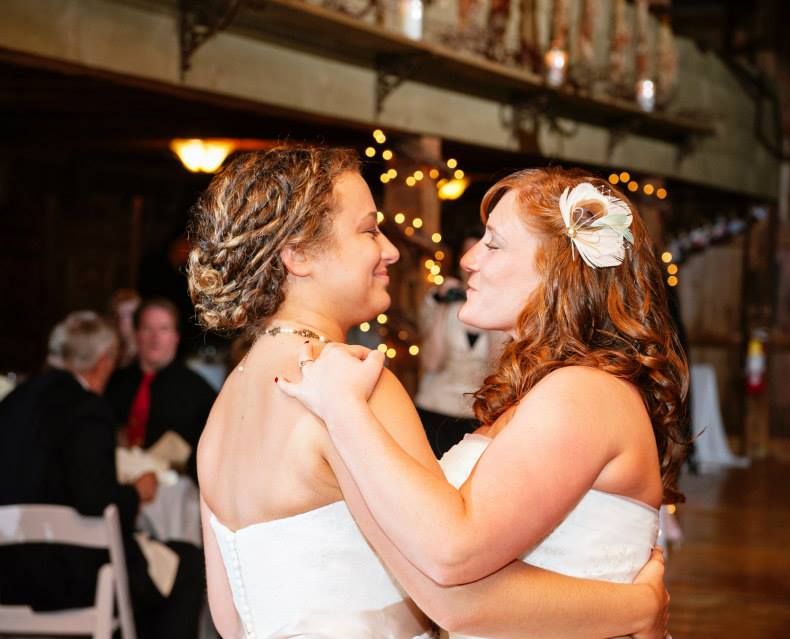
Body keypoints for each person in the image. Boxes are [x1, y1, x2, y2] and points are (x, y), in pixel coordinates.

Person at [186, 145, 670, 639]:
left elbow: (230, 615)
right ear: (298, 255)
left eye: (494, 244)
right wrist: (636, 608)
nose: (465, 259)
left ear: (560, 268)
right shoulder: (350, 381)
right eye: (369, 229)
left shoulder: (227, 404)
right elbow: (444, 588)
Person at [0, 311, 203, 639]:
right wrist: (136, 493)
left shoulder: (13, 401)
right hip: (64, 580)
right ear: (103, 361)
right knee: (187, 564)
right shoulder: (87, 410)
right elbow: (97, 503)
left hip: (6, 572)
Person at [105, 297, 216, 477]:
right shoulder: (113, 383)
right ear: (136, 334)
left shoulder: (198, 391)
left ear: (175, 337)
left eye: (164, 329)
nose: (155, 338)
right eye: (148, 328)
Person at [415, 232, 504, 456]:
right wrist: (444, 306)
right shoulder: (439, 301)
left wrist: (492, 306)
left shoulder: (502, 307)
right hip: (434, 407)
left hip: (477, 415)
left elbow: (498, 368)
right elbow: (432, 362)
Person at [107, 288, 142, 368]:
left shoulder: (147, 352)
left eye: (129, 314)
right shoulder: (108, 351)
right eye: (118, 314)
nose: (122, 320)